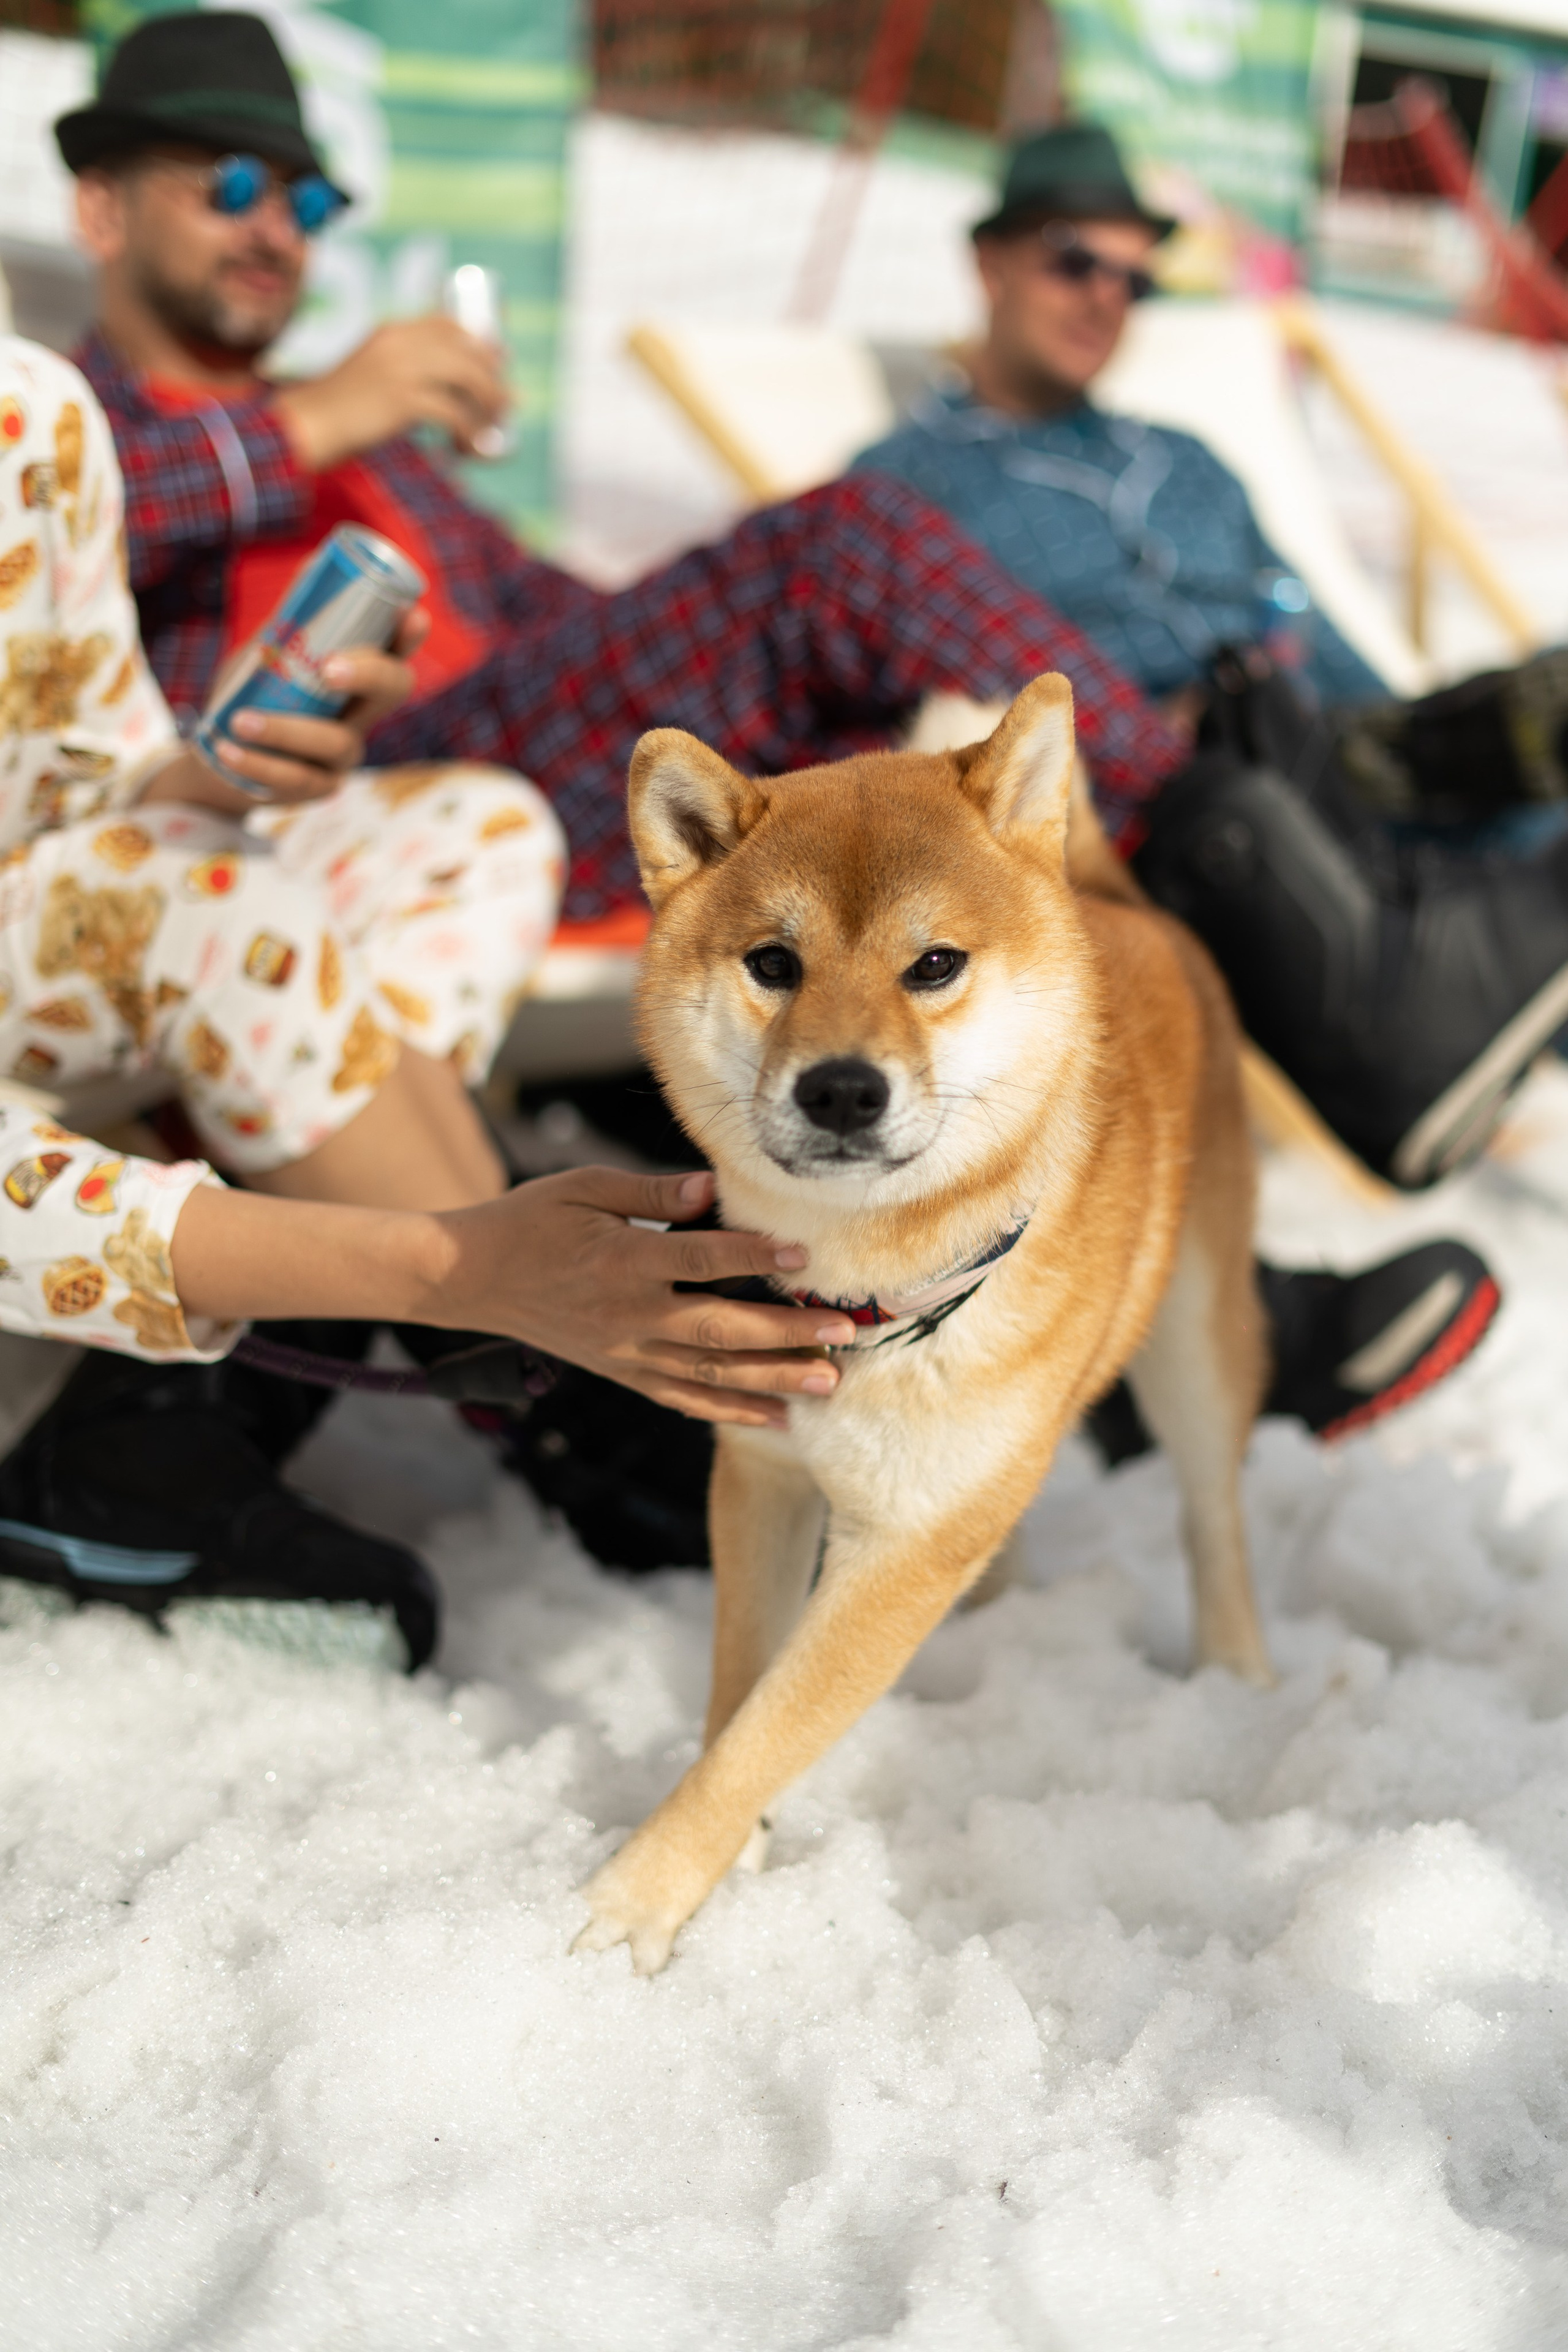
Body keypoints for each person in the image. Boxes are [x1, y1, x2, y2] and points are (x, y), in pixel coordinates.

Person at [51, 20, 1506, 1552]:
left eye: (308, 199)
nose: (275, 226)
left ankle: (1164, 1276)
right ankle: (1325, 925)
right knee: (846, 541)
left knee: (863, 743)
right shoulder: (82, 428)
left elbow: (548, 612)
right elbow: (59, 579)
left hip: (527, 778)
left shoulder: (391, 467)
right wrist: (313, 422)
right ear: (100, 210)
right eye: (227, 183)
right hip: (309, 810)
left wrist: (709, 649)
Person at [0, 333, 857, 1660]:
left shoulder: (29, 411)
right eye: (232, 181)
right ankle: (526, 1372)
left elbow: (93, 784)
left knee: (479, 826)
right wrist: (447, 1262)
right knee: (224, 916)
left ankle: (154, 1437)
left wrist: (232, 767)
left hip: (35, 901)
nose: (277, 219)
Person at [853, 121, 1568, 1188]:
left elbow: (1315, 626)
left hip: (1332, 753)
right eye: (1076, 261)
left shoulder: (1186, 460)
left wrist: (1424, 740)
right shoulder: (905, 487)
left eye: (1136, 282)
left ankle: (1441, 795)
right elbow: (921, 717)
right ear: (989, 260)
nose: (1106, 298)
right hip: (1181, 799)